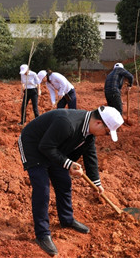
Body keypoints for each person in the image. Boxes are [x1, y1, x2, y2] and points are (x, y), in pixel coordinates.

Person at [17, 105, 124, 257]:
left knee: (64, 182)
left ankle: (66, 219)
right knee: (42, 189)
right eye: (107, 132)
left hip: (53, 147)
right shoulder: (67, 123)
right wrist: (68, 164)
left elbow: (90, 156)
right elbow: (45, 147)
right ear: (99, 123)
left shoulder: (89, 132)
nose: (104, 135)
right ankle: (42, 234)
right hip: (33, 145)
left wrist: (96, 182)